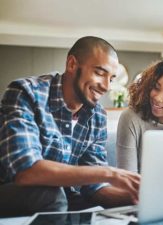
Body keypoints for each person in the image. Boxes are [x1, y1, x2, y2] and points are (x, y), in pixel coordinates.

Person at [0, 36, 140, 217]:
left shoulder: (97, 116)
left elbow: (94, 188)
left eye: (111, 78)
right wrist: (109, 173)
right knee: (53, 195)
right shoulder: (26, 92)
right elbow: (26, 170)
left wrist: (137, 198)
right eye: (99, 72)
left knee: (78, 200)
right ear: (72, 64)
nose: (106, 86)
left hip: (61, 197)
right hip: (10, 190)